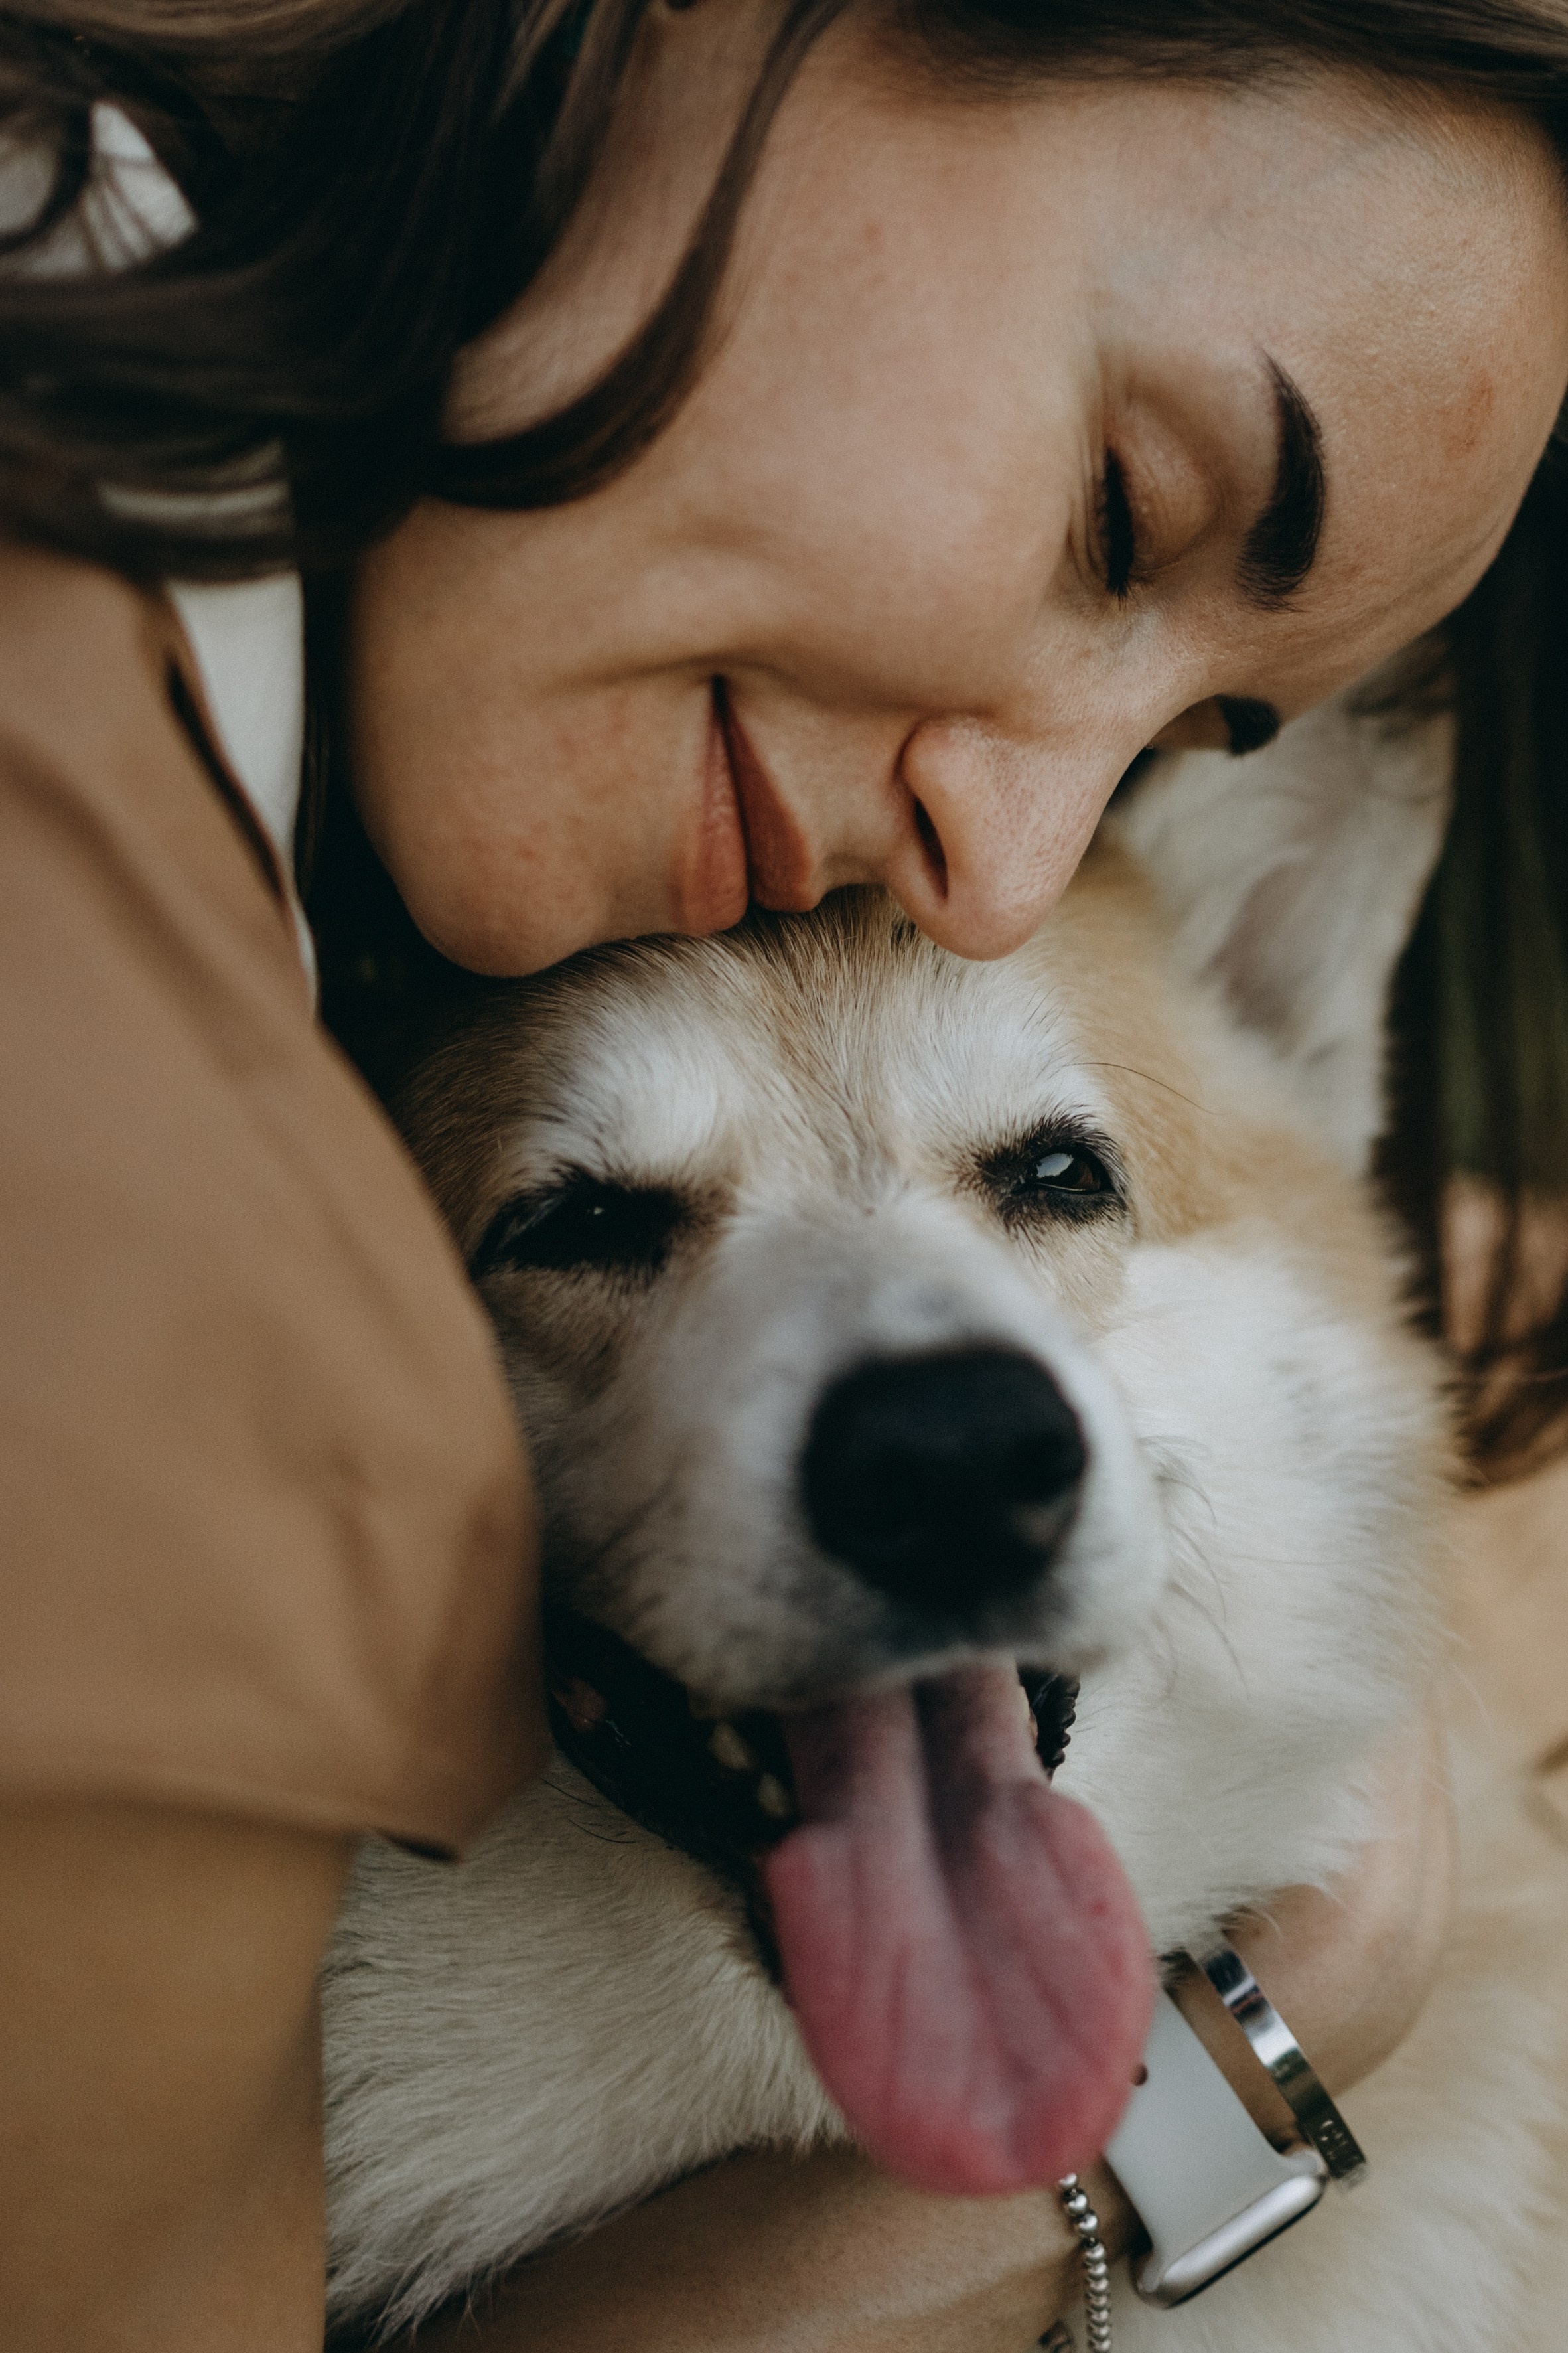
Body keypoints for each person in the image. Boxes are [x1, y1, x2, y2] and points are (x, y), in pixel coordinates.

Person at [1, 2, 1565, 2346]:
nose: (1017, 851)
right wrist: (1252, 2051)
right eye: (1123, 514)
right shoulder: (110, 934)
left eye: (1050, 1168)